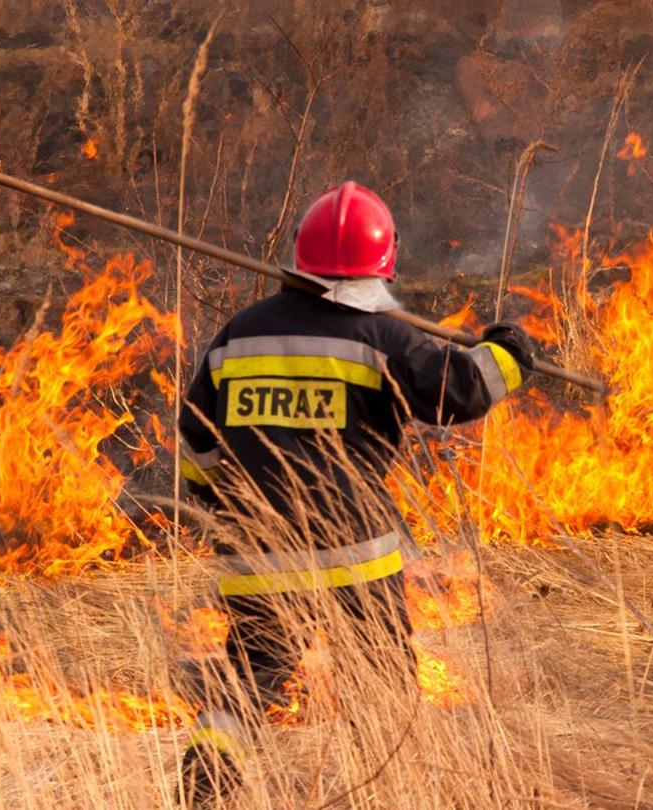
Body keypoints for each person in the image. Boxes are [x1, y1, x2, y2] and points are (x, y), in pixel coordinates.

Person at [173, 181, 535, 804]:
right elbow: (463, 392)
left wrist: (219, 505)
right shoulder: (383, 337)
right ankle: (385, 790)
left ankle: (206, 780)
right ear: (384, 260)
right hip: (354, 557)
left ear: (299, 253)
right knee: (380, 679)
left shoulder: (239, 335)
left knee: (247, 678)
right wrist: (508, 352)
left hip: (257, 551)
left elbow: (195, 438)